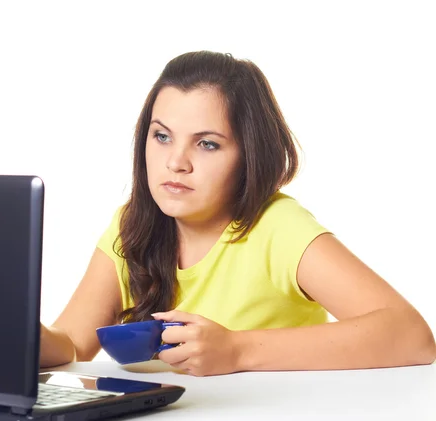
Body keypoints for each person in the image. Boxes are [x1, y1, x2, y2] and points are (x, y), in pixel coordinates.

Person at [39, 51, 436, 376]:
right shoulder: (132, 225)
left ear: (249, 155)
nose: (176, 162)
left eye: (207, 144)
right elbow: (72, 344)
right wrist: (13, 331)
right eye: (162, 136)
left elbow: (411, 335)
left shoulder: (277, 227)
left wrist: (236, 350)